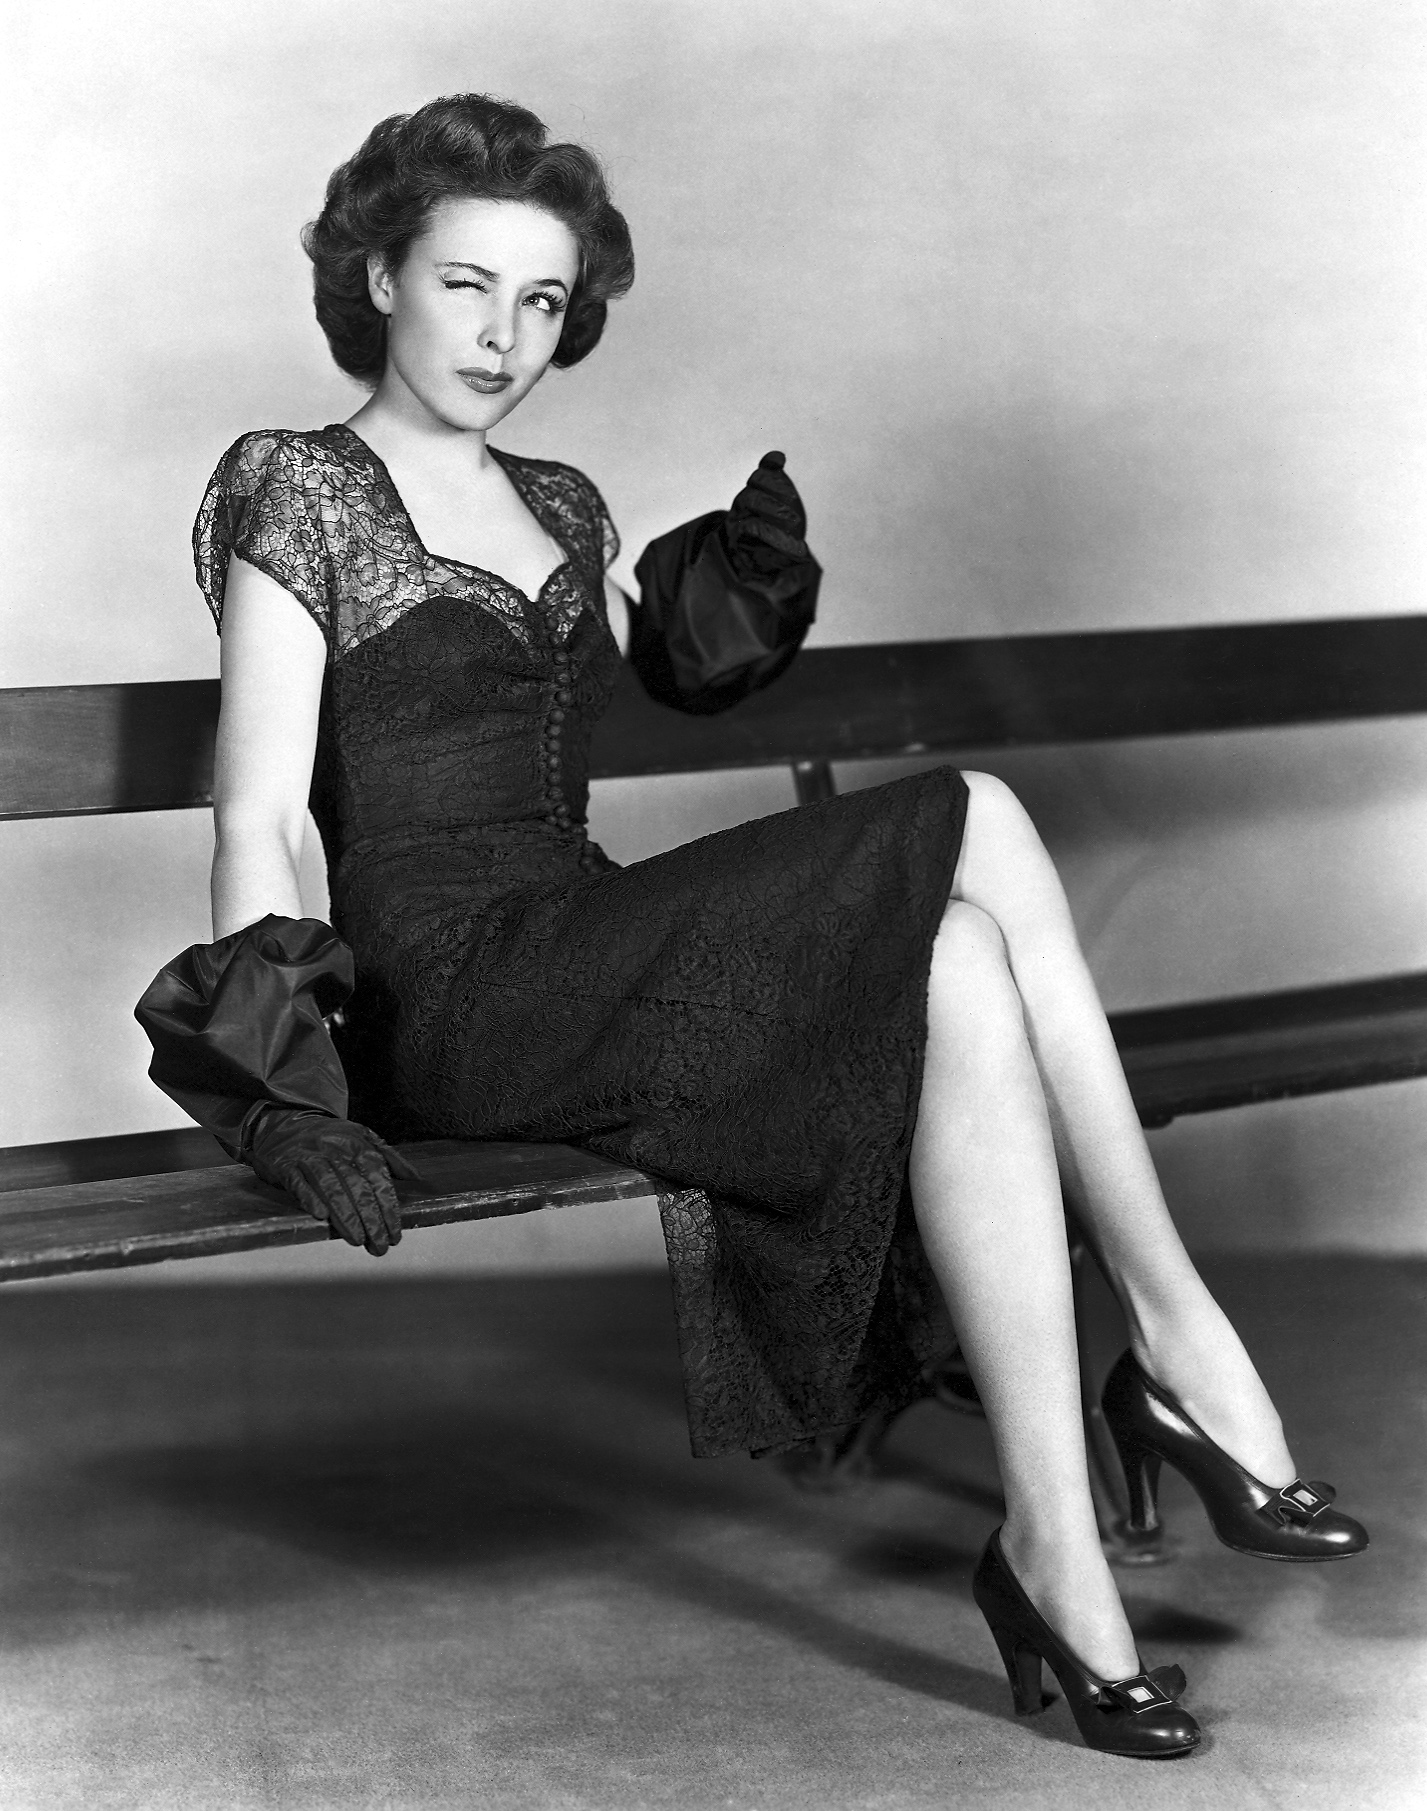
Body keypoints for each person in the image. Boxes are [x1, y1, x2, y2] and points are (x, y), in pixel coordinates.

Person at [136, 93, 1366, 1759]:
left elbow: (671, 659)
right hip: (451, 997)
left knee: (959, 964)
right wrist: (278, 1089)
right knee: (977, 814)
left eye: (542, 301)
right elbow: (263, 813)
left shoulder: (562, 503)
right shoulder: (299, 486)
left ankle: (1056, 1552)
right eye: (466, 286)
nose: (503, 337)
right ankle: (1178, 1339)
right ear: (378, 277)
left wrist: (733, 584)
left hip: (580, 946)